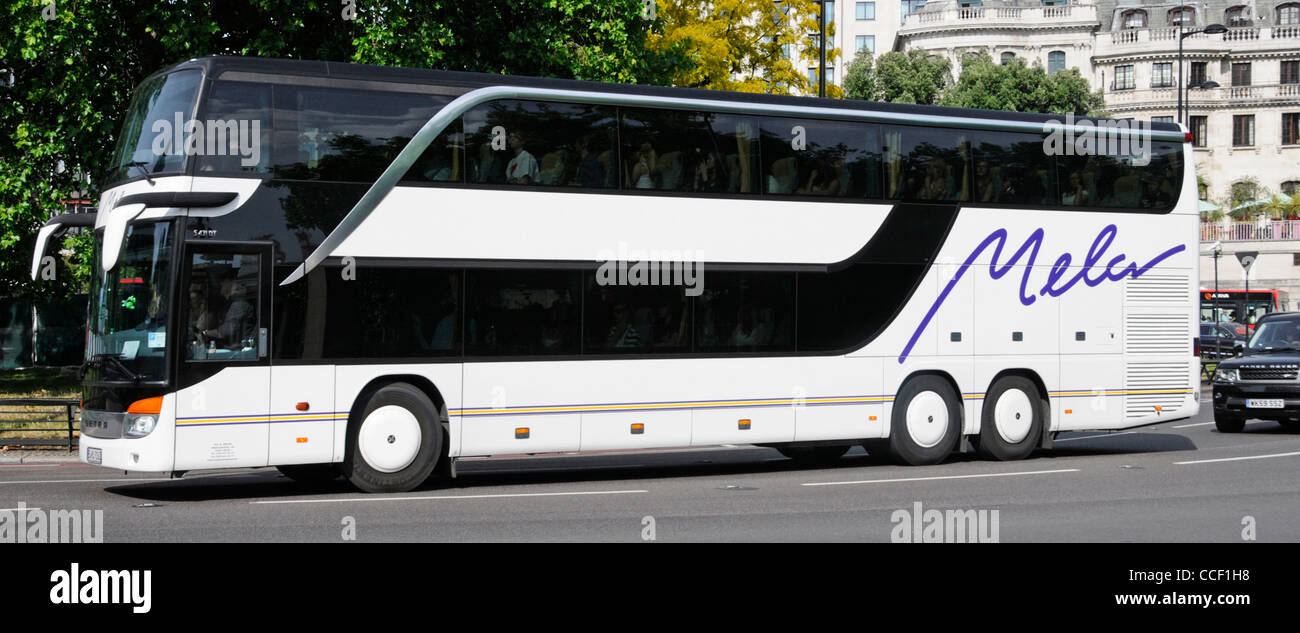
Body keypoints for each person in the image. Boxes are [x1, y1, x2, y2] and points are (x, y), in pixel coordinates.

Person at [202, 277, 254, 351]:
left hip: (237, 351)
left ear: (231, 282)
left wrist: (204, 333)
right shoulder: (230, 304)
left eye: (223, 281)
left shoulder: (239, 304)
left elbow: (226, 331)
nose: (220, 284)